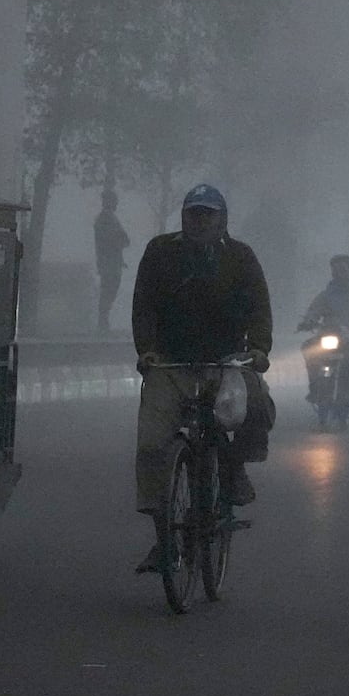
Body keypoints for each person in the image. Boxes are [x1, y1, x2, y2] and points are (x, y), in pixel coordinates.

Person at [131, 183, 275, 573]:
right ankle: (164, 531)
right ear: (183, 216)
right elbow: (143, 305)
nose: (199, 221)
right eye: (194, 213)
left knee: (256, 406)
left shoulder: (241, 258)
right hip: (170, 365)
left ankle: (234, 467)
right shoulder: (160, 253)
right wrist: (146, 349)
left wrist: (259, 349)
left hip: (226, 364)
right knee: (151, 443)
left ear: (222, 219)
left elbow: (260, 308)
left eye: (208, 214)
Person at [298, 254, 349, 403]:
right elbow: (314, 310)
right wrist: (308, 322)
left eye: (342, 269)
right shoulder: (327, 294)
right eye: (335, 270)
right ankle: (315, 387)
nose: (338, 273)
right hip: (328, 334)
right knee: (308, 347)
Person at [93, 189, 130, 335]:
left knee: (110, 290)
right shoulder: (105, 219)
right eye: (114, 200)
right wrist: (120, 242)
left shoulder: (109, 219)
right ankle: (103, 321)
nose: (116, 203)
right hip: (109, 262)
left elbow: (122, 239)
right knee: (108, 290)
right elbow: (114, 240)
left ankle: (103, 320)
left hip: (111, 261)